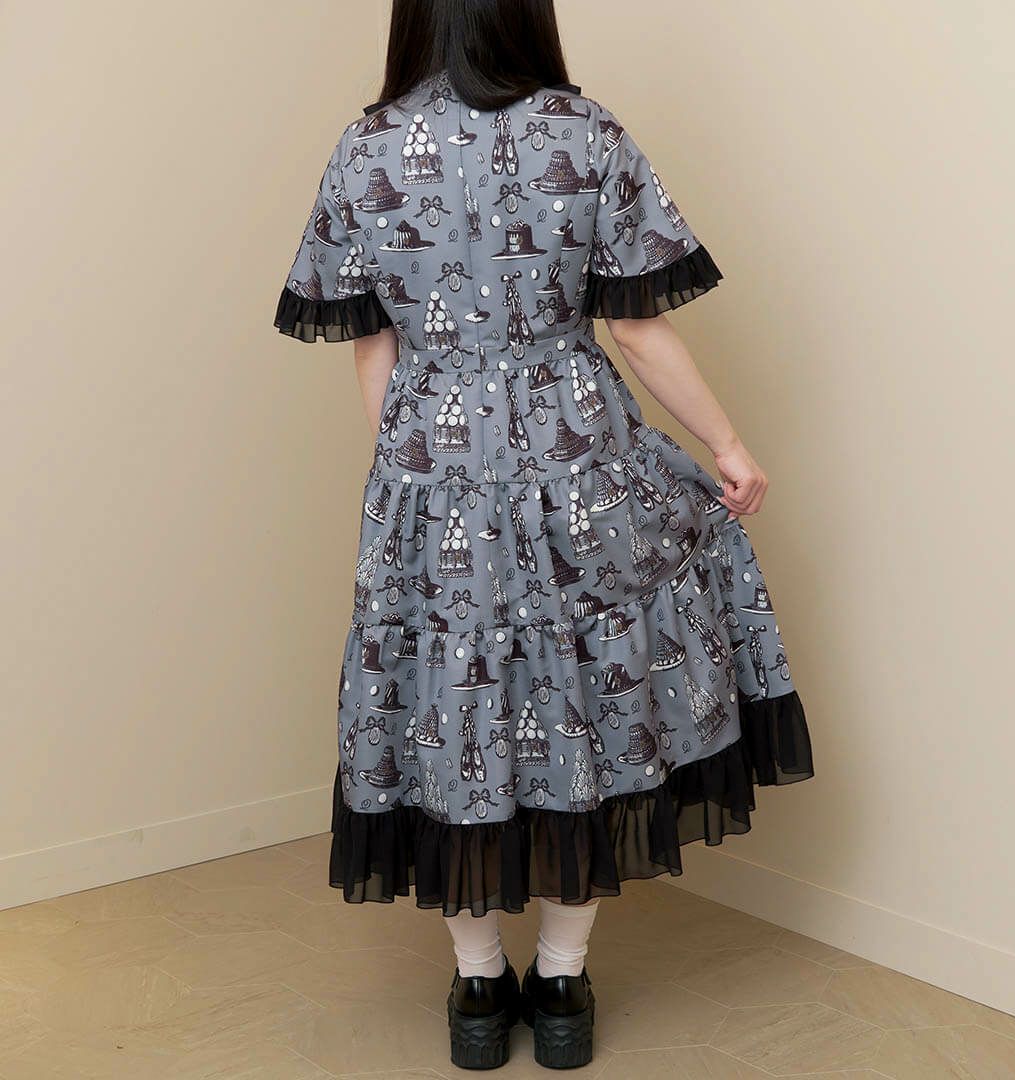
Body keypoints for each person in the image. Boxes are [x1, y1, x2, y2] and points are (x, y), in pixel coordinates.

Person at [273, 0, 814, 1069]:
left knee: (449, 705)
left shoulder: (365, 147)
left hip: (428, 467)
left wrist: (414, 476)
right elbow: (637, 329)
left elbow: (371, 347)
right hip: (578, 463)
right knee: (582, 695)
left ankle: (479, 991)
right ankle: (562, 984)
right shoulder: (585, 129)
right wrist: (728, 447)